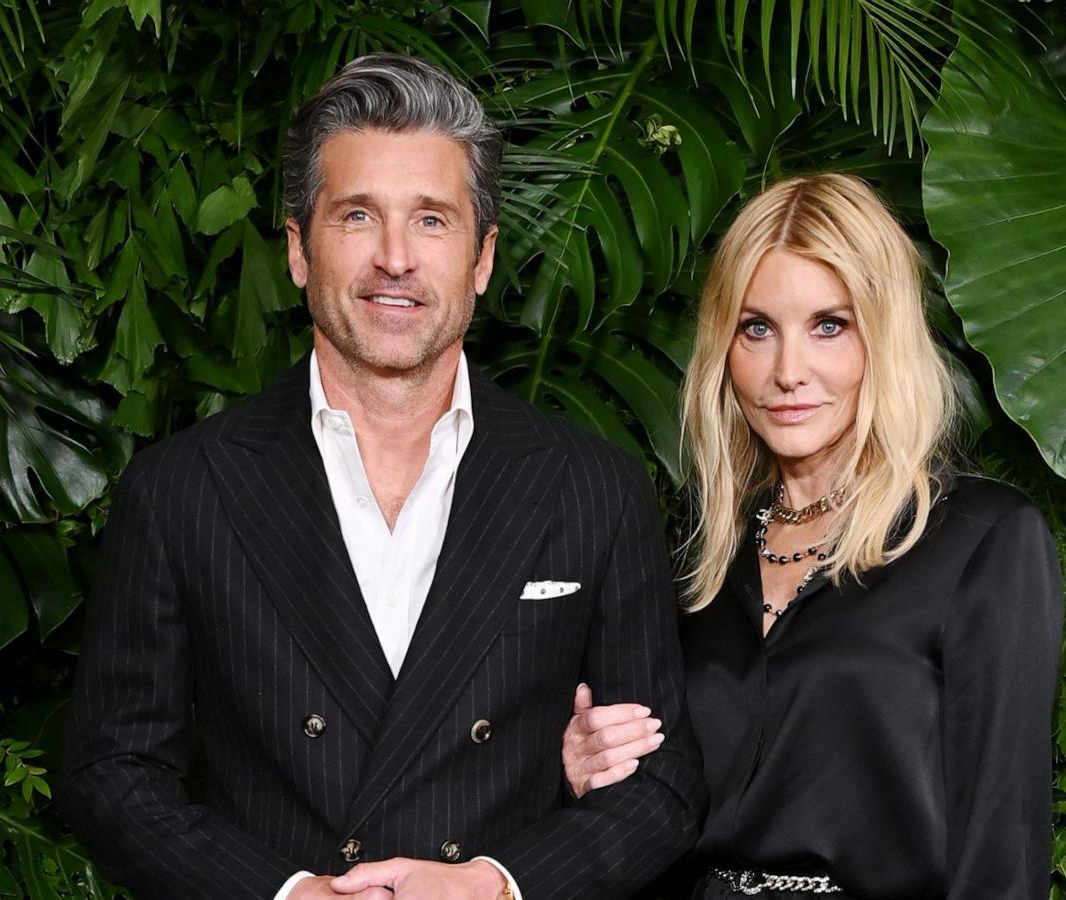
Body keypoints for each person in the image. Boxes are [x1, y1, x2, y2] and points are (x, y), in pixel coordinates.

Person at [57, 54, 703, 900]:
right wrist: (285, 894)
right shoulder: (183, 490)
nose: (395, 258)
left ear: (481, 257)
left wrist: (498, 886)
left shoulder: (594, 490)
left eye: (432, 221)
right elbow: (111, 774)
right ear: (298, 249)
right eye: (358, 216)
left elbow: (661, 786)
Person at [560, 174, 1064, 899]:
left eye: (830, 325)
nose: (787, 372)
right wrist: (585, 774)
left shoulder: (983, 542)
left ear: (883, 337)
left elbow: (1001, 850)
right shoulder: (697, 557)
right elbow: (656, 816)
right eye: (756, 328)